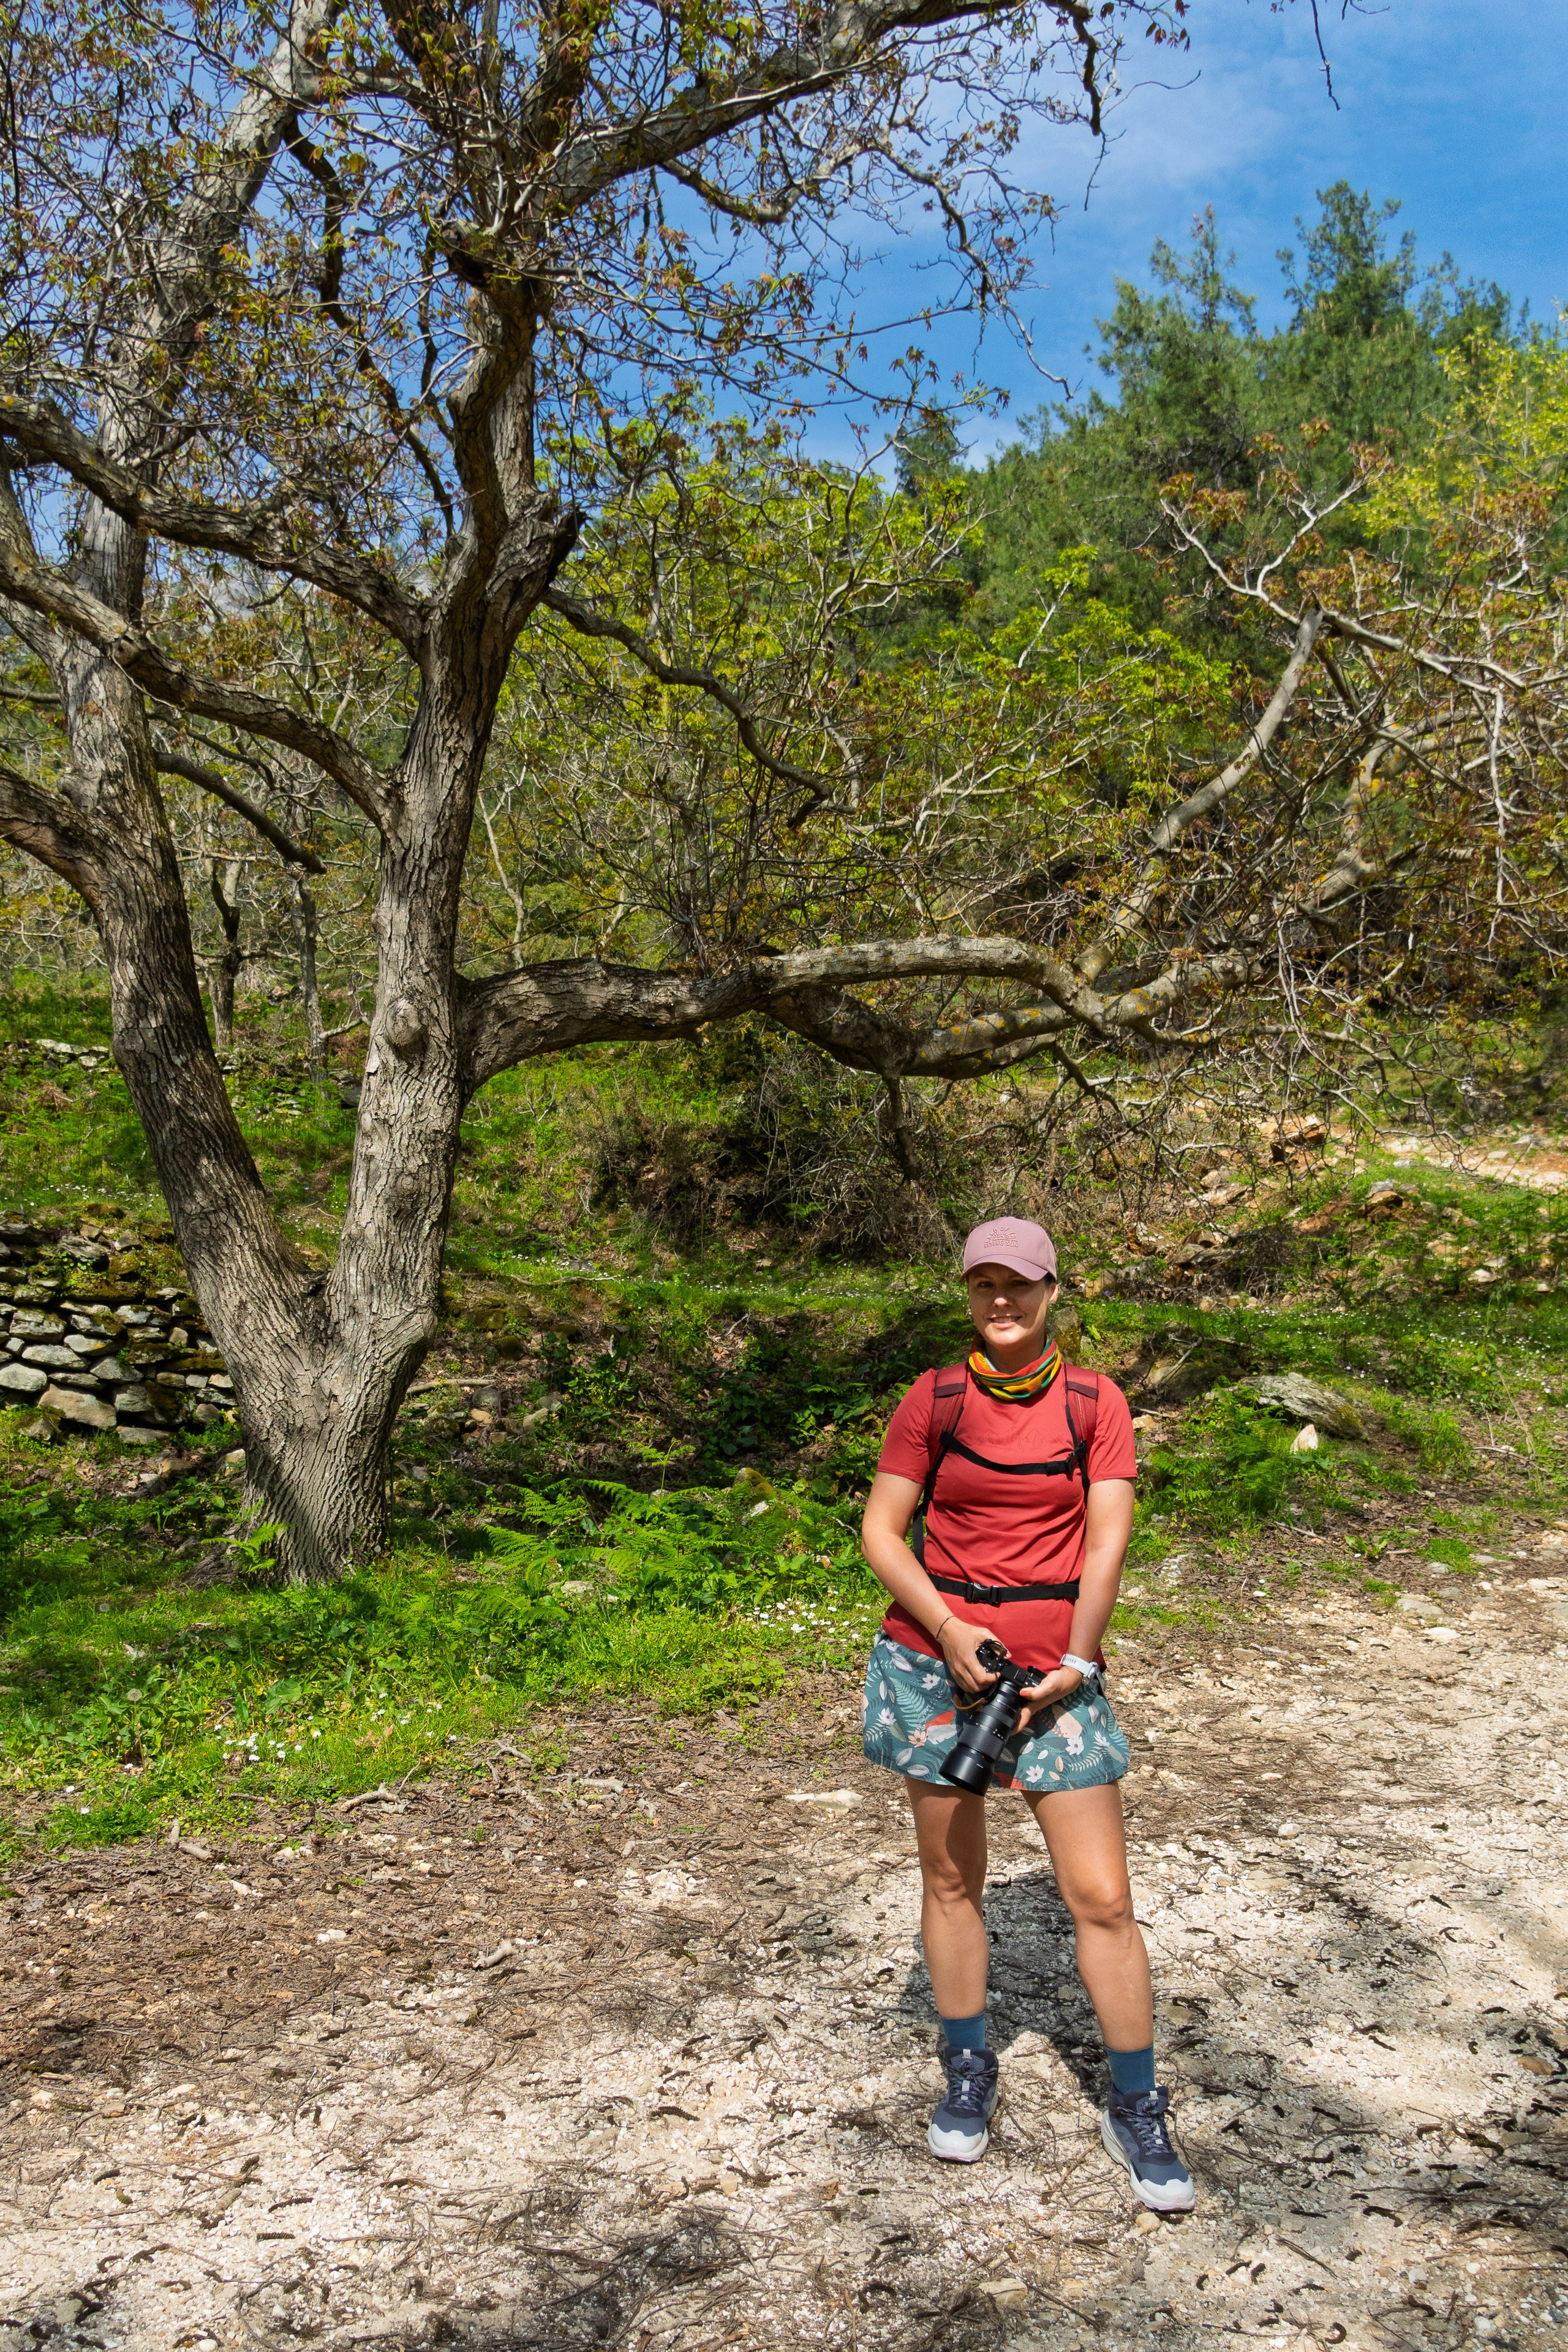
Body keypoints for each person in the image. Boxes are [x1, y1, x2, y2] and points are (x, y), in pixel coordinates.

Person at [859, 1216, 1193, 2211]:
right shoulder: (936, 1397)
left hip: (1058, 1682)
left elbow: (1106, 1544)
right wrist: (951, 1630)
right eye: (983, 1285)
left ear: (1054, 1292)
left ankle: (1135, 2102)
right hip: (934, 1666)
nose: (1000, 1302)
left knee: (1101, 1899)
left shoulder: (1097, 1403)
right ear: (968, 1292)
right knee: (952, 1880)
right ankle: (969, 2068)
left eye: (1020, 1285)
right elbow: (883, 1530)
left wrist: (1081, 1661)